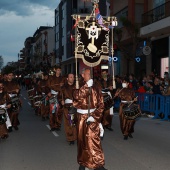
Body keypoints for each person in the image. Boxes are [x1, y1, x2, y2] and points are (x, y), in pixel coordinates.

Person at [73, 68, 107, 170]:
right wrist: (87, 86)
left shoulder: (96, 87)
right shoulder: (78, 86)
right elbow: (76, 98)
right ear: (83, 75)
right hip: (81, 118)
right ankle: (83, 163)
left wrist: (94, 116)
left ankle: (98, 164)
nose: (90, 76)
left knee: (93, 140)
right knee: (82, 141)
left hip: (92, 117)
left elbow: (101, 105)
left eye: (91, 74)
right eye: (88, 74)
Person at [60, 73, 77, 145]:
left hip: (75, 106)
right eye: (70, 77)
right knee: (69, 123)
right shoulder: (63, 87)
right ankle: (70, 138)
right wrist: (61, 100)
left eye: (73, 77)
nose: (72, 78)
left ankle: (75, 136)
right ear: (67, 78)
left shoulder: (77, 86)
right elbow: (60, 96)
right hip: (67, 107)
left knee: (75, 122)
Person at [47, 65, 65, 131]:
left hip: (60, 96)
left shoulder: (62, 78)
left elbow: (65, 87)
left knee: (59, 112)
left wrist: (62, 86)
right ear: (55, 71)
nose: (59, 72)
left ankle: (58, 125)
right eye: (58, 70)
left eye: (60, 70)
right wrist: (48, 92)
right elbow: (48, 86)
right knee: (52, 111)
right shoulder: (51, 78)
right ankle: (52, 126)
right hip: (52, 96)